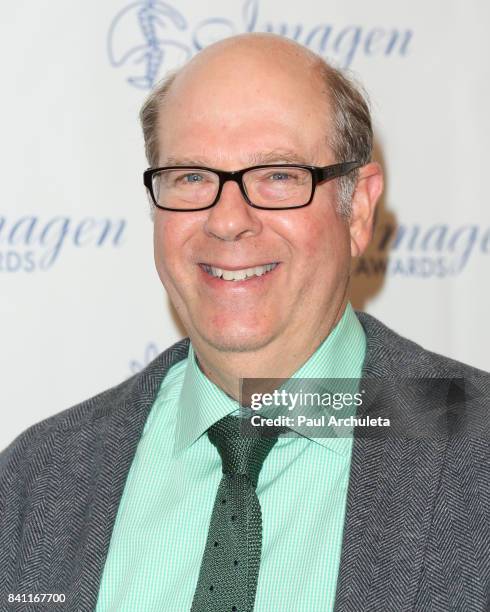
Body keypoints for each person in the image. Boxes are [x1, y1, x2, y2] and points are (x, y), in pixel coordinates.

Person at [1, 33, 488, 612]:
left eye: (278, 175)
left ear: (357, 210)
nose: (228, 220)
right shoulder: (39, 479)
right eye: (191, 177)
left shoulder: (475, 447)